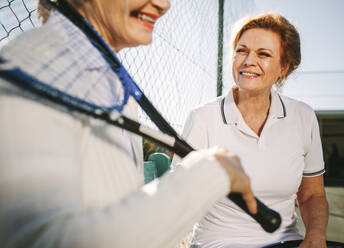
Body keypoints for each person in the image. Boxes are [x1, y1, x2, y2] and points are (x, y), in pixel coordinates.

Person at [0, 0, 258, 247]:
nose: (164, 4)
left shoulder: (114, 84)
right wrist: (210, 173)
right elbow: (39, 241)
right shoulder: (34, 63)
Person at [172, 13, 329, 248]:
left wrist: (316, 234)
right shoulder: (203, 117)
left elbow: (312, 195)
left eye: (263, 54)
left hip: (286, 240)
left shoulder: (303, 117)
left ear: (283, 67)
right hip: (220, 243)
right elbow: (180, 195)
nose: (248, 61)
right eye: (242, 50)